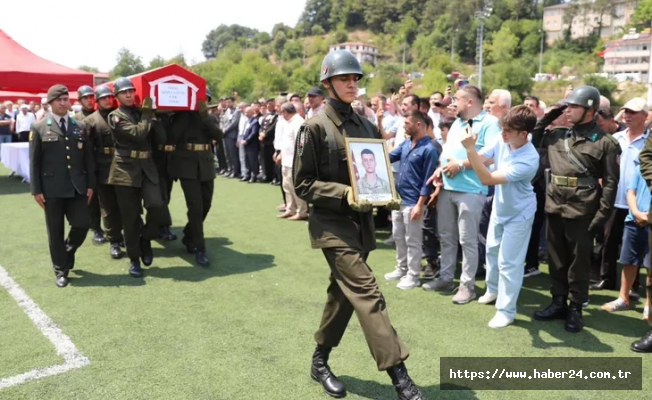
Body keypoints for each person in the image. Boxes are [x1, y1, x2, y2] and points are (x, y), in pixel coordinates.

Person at [293, 50, 423, 400]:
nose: (352, 84)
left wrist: (385, 193)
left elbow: (375, 172)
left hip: (361, 225)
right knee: (367, 292)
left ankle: (319, 361)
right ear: (328, 83)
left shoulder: (365, 125)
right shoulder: (314, 127)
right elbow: (303, 184)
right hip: (332, 225)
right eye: (344, 78)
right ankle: (401, 378)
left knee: (343, 295)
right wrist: (345, 192)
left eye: (355, 78)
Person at [532, 86, 621, 333]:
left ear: (590, 111)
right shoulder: (558, 135)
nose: (568, 110)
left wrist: (603, 214)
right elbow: (534, 136)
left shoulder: (606, 143)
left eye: (574, 106)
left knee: (578, 263)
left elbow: (611, 182)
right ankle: (558, 301)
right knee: (556, 260)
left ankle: (575, 308)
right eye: (567, 106)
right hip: (555, 204)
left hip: (584, 210)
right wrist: (551, 114)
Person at [463, 106, 540, 328]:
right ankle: (493, 289)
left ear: (524, 133)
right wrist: (468, 155)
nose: (503, 134)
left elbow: (487, 178)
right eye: (503, 128)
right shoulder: (503, 137)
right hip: (501, 207)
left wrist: (469, 149)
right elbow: (484, 159)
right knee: (492, 251)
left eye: (509, 130)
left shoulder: (529, 159)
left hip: (520, 213)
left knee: (509, 263)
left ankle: (506, 310)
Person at [29, 84, 95, 287]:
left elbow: (88, 159)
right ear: (50, 103)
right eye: (58, 100)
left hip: (77, 186)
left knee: (83, 224)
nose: (63, 103)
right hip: (52, 189)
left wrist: (90, 185)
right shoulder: (39, 127)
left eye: (66, 99)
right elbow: (34, 161)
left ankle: (67, 252)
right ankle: (61, 270)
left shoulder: (80, 126)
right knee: (55, 230)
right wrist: (36, 190)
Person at [108, 77, 168, 278]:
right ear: (117, 96)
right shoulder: (116, 116)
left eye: (131, 91)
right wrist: (147, 115)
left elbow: (161, 139)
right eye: (124, 92)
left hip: (147, 168)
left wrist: (155, 119)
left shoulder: (142, 112)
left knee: (158, 207)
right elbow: (138, 134)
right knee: (131, 218)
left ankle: (146, 240)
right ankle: (134, 259)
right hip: (125, 171)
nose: (128, 94)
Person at [384, 110, 439, 290]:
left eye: (407, 124)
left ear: (418, 125)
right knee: (399, 237)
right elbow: (389, 157)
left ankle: (413, 275)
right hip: (399, 199)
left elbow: (427, 181)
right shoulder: (406, 143)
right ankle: (402, 268)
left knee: (413, 241)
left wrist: (419, 205)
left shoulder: (429, 149)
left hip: (414, 202)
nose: (403, 127)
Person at [168, 89, 222, 267]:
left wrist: (204, 116)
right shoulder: (182, 116)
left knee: (206, 204)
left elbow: (218, 136)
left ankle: (189, 235)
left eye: (205, 99)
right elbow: (172, 136)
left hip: (205, 164)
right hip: (186, 165)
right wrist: (186, 115)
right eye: (200, 99)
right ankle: (200, 248)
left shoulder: (210, 117)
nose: (202, 102)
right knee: (196, 207)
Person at [83, 85, 124, 259]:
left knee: (125, 205)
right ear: (97, 101)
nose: (108, 100)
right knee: (108, 207)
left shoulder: (122, 115)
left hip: (123, 165)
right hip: (103, 167)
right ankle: (114, 241)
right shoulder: (91, 120)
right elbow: (86, 150)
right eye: (103, 98)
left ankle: (123, 236)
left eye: (110, 97)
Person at [73, 85, 106, 245]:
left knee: (106, 196)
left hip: (103, 160)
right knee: (92, 198)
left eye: (91, 97)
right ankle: (96, 228)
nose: (89, 100)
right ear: (80, 100)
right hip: (87, 162)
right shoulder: (76, 119)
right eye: (85, 98)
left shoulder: (101, 114)